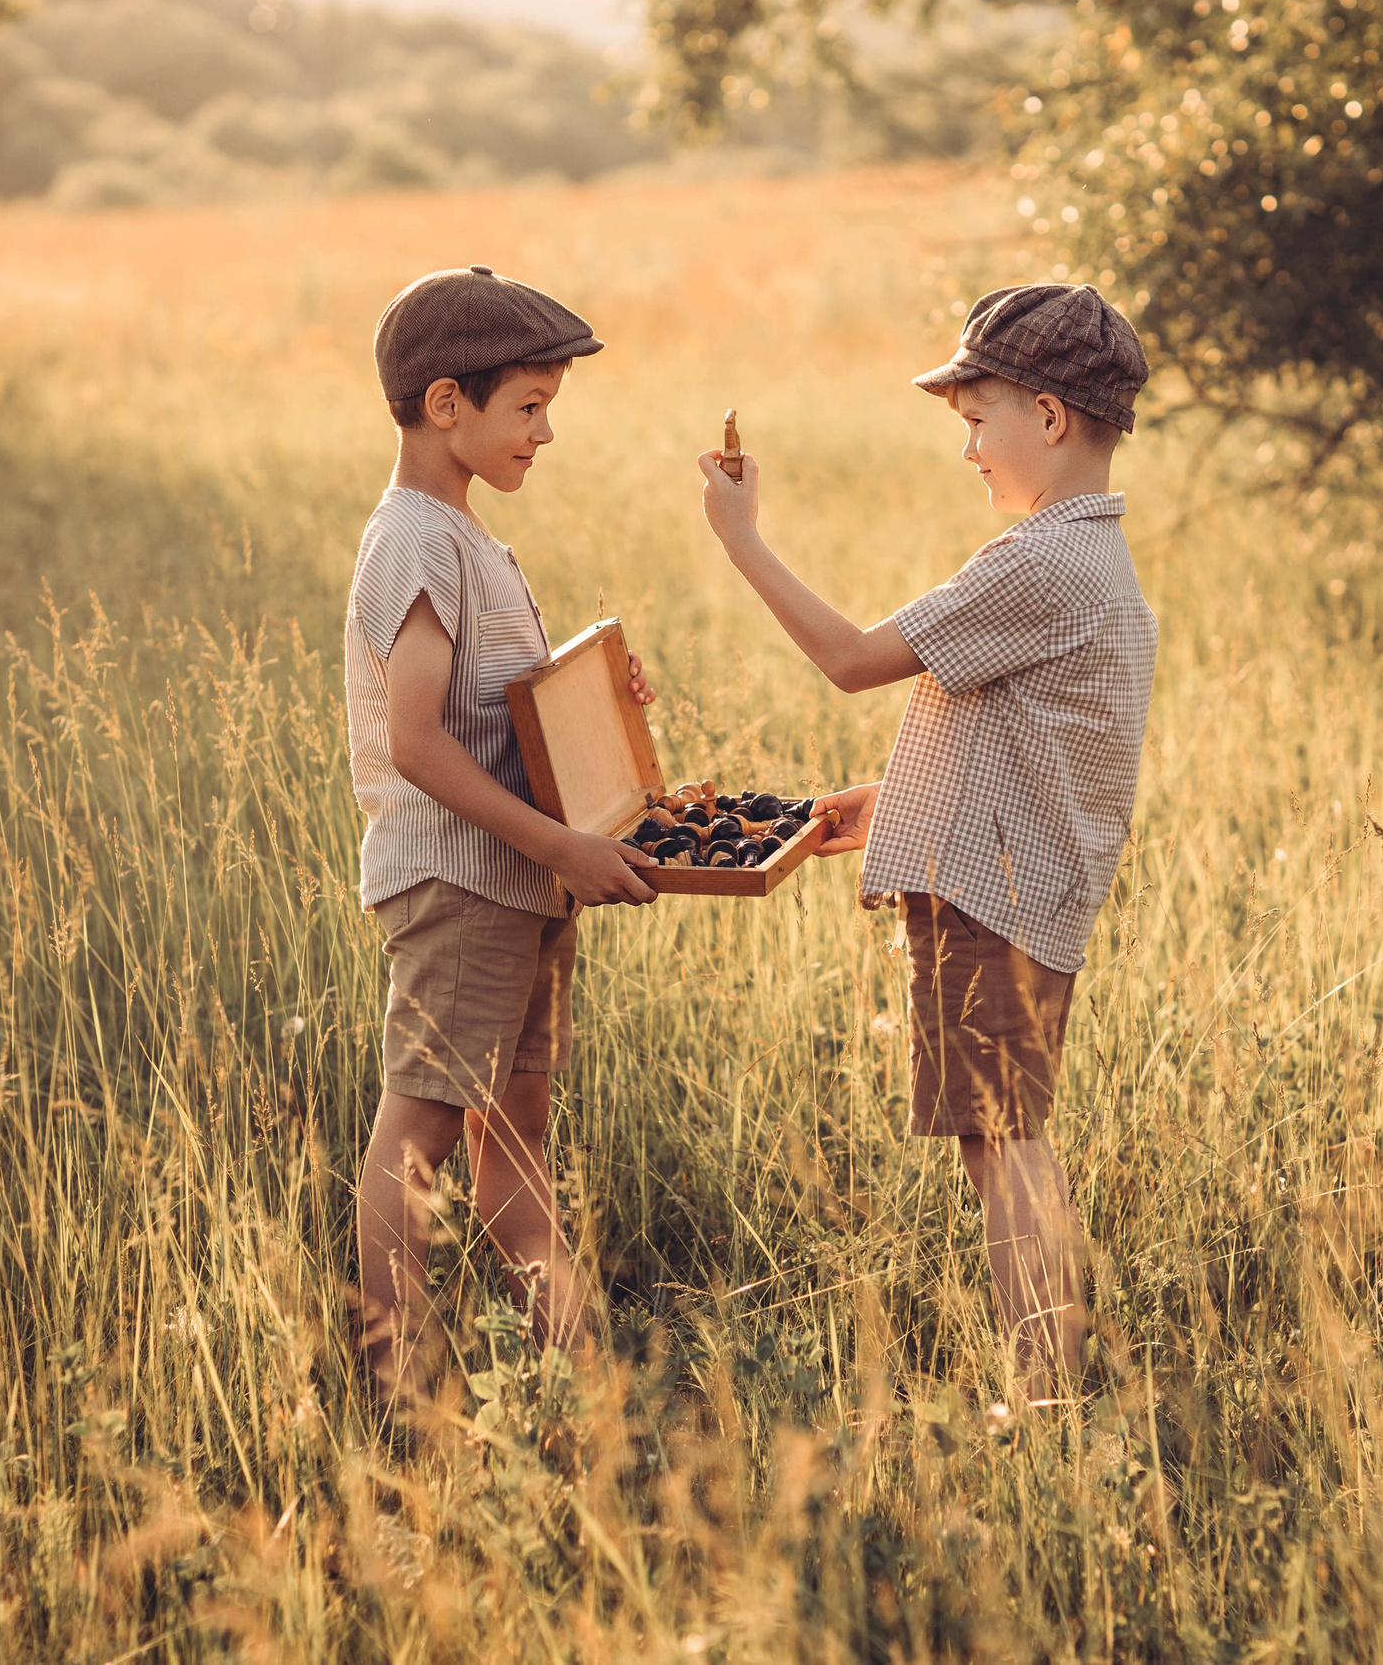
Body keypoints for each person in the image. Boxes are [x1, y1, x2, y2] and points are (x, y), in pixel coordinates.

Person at [694, 284, 1157, 1384]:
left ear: (1047, 417)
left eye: (974, 421)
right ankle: (1049, 1374)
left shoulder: (1040, 560)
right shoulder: (1091, 564)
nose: (967, 452)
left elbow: (854, 659)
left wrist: (740, 538)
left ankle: (1044, 1388)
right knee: (1001, 1136)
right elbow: (1026, 741)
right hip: (1017, 892)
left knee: (1001, 1145)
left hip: (988, 903)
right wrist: (889, 798)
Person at [345, 264, 658, 1405]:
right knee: (421, 1125)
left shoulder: (465, 538)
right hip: (461, 880)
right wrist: (567, 847)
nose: (547, 430)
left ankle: (574, 1371)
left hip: (520, 879)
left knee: (515, 1130)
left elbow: (500, 711)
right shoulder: (416, 542)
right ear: (446, 405)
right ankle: (401, 1392)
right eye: (527, 406)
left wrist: (600, 703)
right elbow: (419, 742)